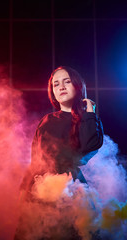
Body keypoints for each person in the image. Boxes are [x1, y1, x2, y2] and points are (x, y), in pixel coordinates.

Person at [14, 66, 103, 240]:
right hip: (39, 191)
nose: (61, 87)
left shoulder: (88, 119)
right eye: (56, 84)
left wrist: (89, 110)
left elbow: (91, 145)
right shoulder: (46, 120)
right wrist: (23, 192)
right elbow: (35, 161)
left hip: (71, 191)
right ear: (52, 91)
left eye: (67, 82)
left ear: (77, 86)